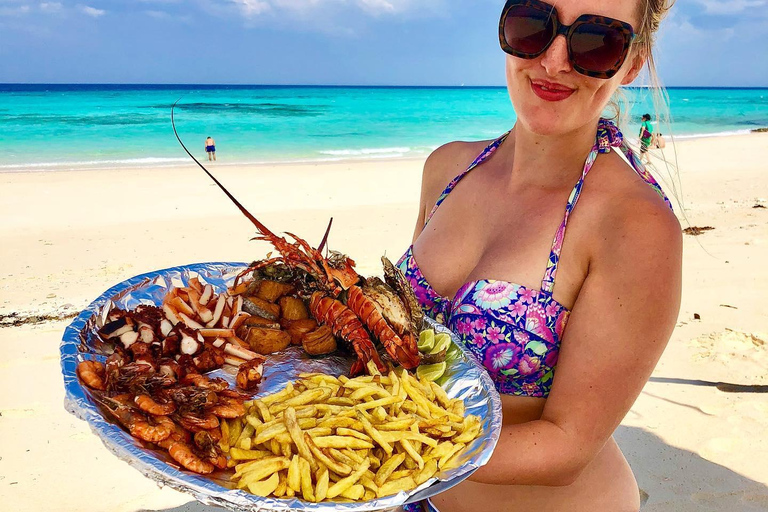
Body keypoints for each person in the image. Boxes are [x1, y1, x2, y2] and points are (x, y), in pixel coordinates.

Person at [398, 1, 680, 511]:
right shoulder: (448, 168)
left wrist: (379, 454)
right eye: (533, 25)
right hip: (414, 495)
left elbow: (567, 445)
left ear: (631, 64)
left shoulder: (634, 224)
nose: (553, 61)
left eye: (597, 41)